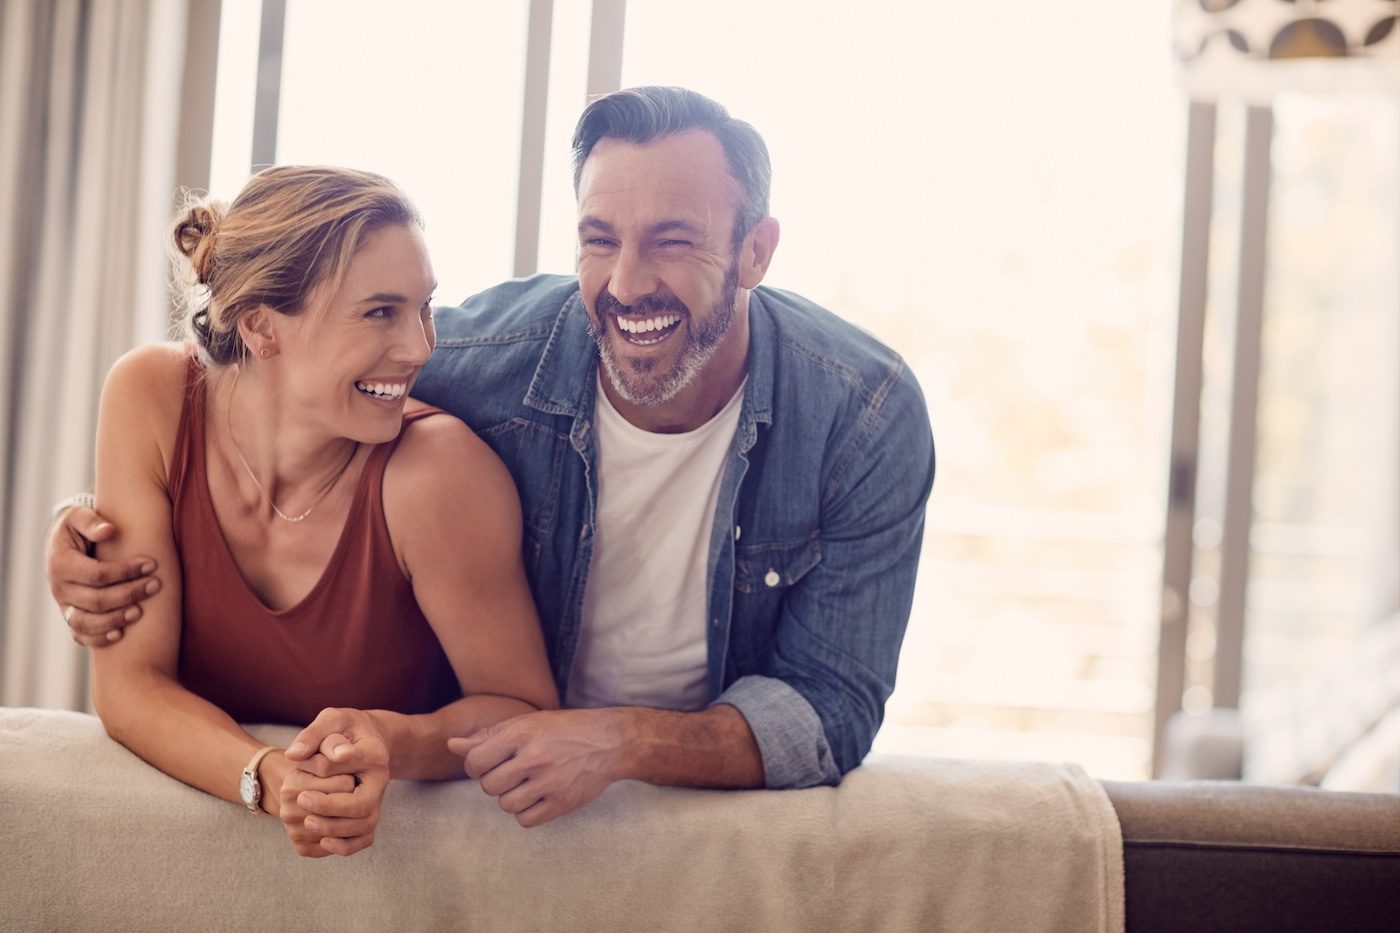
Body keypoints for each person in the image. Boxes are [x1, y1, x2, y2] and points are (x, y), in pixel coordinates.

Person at [48, 87, 935, 829]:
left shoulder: (862, 415)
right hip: (510, 794)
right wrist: (94, 525)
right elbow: (294, 384)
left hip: (688, 793)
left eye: (672, 239)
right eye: (599, 238)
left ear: (755, 251)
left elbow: (831, 706)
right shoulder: (478, 362)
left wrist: (620, 738)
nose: (628, 283)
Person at [65, 165, 558, 856]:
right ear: (261, 327)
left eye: (424, 307)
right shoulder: (150, 397)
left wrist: (390, 738)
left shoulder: (437, 474)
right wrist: (266, 778)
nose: (420, 347)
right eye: (380, 312)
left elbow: (524, 712)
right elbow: (130, 687)